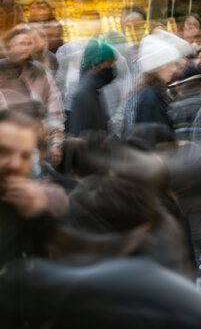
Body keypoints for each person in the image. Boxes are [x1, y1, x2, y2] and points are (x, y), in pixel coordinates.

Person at [0, 111, 68, 266]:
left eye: (24, 156)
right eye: (3, 151)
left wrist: (41, 213)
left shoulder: (32, 203)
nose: (15, 164)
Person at [2, 26, 64, 163]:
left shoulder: (40, 72)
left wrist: (56, 142)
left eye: (29, 43)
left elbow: (54, 108)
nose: (26, 47)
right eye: (21, 43)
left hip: (39, 145)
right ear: (10, 46)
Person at [124, 30, 188, 133]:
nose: (174, 69)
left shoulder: (153, 93)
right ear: (156, 67)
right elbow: (153, 139)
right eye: (169, 64)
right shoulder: (150, 97)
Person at [66, 39, 119, 136]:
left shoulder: (94, 89)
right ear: (98, 64)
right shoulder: (85, 93)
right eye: (110, 63)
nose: (112, 67)